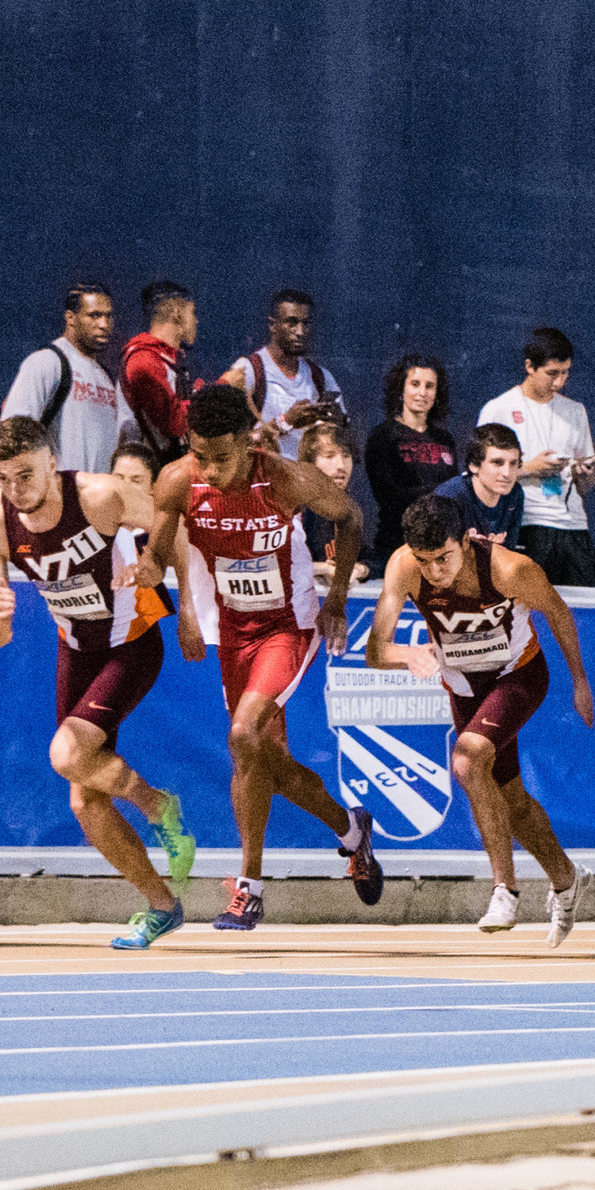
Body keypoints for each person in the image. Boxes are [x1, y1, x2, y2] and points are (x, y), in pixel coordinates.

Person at [139, 384, 378, 931]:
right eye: (199, 455)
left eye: (221, 459)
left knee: (243, 736)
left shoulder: (287, 478)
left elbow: (352, 518)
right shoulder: (178, 480)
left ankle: (248, 888)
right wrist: (160, 579)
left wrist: (336, 600)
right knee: (264, 762)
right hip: (234, 631)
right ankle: (351, 830)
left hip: (287, 625)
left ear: (249, 444)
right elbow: (161, 543)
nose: (209, 470)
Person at [0, 416, 198, 950]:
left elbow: (180, 530)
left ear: (53, 462)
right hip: (76, 649)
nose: (15, 491)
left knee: (67, 754)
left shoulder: (100, 495)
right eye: (3, 478)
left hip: (132, 642)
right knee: (84, 804)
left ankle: (158, 806)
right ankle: (163, 905)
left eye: (25, 475)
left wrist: (171, 586)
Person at [370, 495, 595, 945]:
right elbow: (377, 651)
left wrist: (580, 682)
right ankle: (567, 878)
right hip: (465, 689)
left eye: (443, 558)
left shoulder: (511, 569)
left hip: (518, 675)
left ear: (467, 541)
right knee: (510, 802)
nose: (434, 571)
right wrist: (408, 654)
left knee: (468, 760)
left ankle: (503, 889)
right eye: (424, 561)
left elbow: (558, 613)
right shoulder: (404, 566)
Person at [481, 328, 595, 587]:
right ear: (529, 366)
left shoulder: (575, 411)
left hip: (573, 525)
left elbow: (587, 487)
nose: (559, 382)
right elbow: (480, 475)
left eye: (565, 372)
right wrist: (531, 467)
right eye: (552, 373)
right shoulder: (499, 408)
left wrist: (584, 476)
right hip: (527, 521)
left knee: (586, 600)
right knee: (528, 606)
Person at [3, 284, 142, 474]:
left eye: (108, 316)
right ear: (70, 318)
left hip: (100, 496)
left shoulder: (106, 376)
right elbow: (13, 432)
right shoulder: (47, 362)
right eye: (94, 315)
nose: (104, 324)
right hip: (61, 494)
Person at [221, 290, 344, 461]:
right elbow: (224, 437)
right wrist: (286, 421)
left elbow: (341, 436)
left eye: (306, 323)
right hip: (262, 478)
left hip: (304, 480)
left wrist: (337, 422)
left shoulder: (321, 378)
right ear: (273, 325)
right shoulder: (249, 371)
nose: (300, 332)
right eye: (291, 323)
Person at [366, 354, 460, 561]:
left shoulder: (445, 439)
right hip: (397, 543)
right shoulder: (383, 435)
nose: (422, 392)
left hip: (440, 545)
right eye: (415, 384)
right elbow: (388, 495)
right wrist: (439, 492)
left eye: (429, 386)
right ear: (401, 389)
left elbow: (456, 493)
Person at [122, 281, 200, 464]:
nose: (196, 320)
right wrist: (222, 386)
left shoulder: (167, 360)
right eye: (192, 312)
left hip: (162, 470)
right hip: (143, 475)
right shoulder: (143, 360)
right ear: (177, 313)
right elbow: (174, 424)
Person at [296, 422, 369, 585]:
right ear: (309, 464)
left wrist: (358, 570)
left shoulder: (350, 509)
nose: (341, 466)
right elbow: (278, 565)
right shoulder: (295, 510)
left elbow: (374, 559)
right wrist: (324, 569)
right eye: (329, 456)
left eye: (346, 456)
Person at [435, 425, 526, 549]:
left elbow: (508, 553)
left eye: (513, 463)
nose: (507, 473)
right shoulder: (448, 497)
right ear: (474, 465)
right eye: (497, 463)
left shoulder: (515, 493)